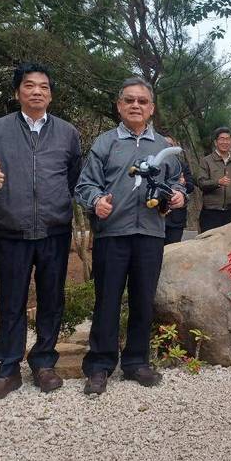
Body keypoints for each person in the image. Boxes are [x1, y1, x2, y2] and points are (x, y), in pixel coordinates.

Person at [0, 63, 81, 401]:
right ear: (18, 91)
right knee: (11, 300)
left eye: (43, 87)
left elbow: (74, 176)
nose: (37, 91)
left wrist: (61, 204)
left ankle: (44, 362)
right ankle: (8, 369)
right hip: (12, 230)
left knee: (51, 299)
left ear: (51, 94)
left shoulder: (67, 132)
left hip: (55, 231)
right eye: (29, 86)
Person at [75, 77, 185, 396]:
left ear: (151, 108)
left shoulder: (164, 147)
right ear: (119, 105)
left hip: (150, 234)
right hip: (112, 234)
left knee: (143, 300)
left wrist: (178, 196)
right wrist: (96, 201)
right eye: (129, 100)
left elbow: (177, 182)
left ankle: (137, 361)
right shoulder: (106, 143)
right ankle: (99, 365)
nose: (135, 105)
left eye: (142, 101)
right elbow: (84, 185)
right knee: (107, 300)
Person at [196, 127, 231, 232]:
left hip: (230, 212)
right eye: (222, 139)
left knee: (229, 245)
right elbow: (201, 183)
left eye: (227, 139)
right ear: (215, 142)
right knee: (208, 244)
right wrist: (218, 182)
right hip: (211, 212)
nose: (225, 142)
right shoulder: (206, 161)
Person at [163, 135, 195, 245]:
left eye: (170, 145)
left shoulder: (183, 166)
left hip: (176, 219)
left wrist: (183, 183)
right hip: (155, 219)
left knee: (172, 251)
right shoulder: (153, 165)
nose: (167, 148)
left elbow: (191, 186)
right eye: (164, 145)